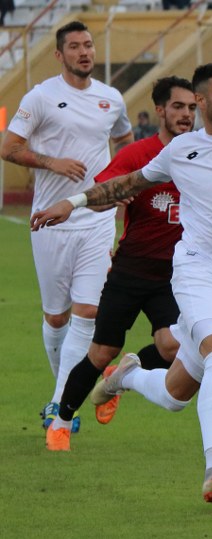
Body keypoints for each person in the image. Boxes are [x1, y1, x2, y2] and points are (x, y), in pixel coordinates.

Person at [30, 61, 212, 504]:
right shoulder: (181, 150)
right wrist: (70, 203)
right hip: (195, 269)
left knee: (175, 394)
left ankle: (125, 377)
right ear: (204, 101)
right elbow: (125, 184)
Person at [44, 76, 197, 452]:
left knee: (173, 347)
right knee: (100, 352)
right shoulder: (138, 155)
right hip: (130, 271)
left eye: (192, 107)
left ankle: (123, 375)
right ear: (160, 110)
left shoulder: (201, 154)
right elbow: (99, 195)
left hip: (173, 275)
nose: (186, 115)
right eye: (178, 107)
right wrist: (114, 200)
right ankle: (61, 421)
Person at [0, 21, 133, 432]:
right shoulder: (41, 98)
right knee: (56, 318)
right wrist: (50, 162)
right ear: (59, 55)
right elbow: (8, 147)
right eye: (74, 46)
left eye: (88, 45)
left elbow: (126, 141)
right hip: (51, 221)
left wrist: (123, 182)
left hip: (95, 218)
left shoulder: (111, 99)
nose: (84, 52)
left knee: (88, 312)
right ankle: (64, 389)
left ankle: (60, 406)